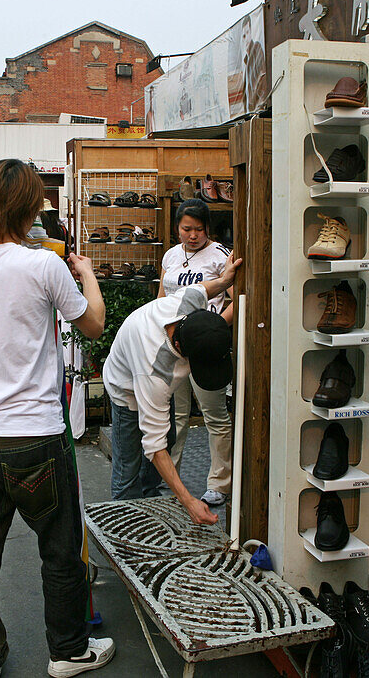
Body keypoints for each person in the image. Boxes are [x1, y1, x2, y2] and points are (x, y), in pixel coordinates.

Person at [0, 159, 111, 678]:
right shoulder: (44, 265)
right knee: (60, 553)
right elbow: (93, 324)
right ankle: (68, 651)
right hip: (38, 435)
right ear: (28, 207)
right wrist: (86, 275)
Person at [103, 252, 241, 524]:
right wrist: (189, 501)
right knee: (128, 469)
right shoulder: (156, 372)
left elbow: (202, 288)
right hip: (126, 388)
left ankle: (152, 503)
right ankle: (126, 531)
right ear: (184, 354)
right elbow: (153, 447)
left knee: (166, 440)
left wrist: (225, 279)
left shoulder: (189, 304)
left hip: (151, 373)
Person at [155, 199, 234, 507]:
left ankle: (219, 483)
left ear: (207, 229)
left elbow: (235, 299)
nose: (192, 235)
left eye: (198, 229)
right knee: (175, 416)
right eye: (186, 229)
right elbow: (160, 298)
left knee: (214, 415)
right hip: (173, 346)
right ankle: (169, 479)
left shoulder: (220, 255)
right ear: (177, 228)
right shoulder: (171, 256)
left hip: (205, 348)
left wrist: (214, 328)